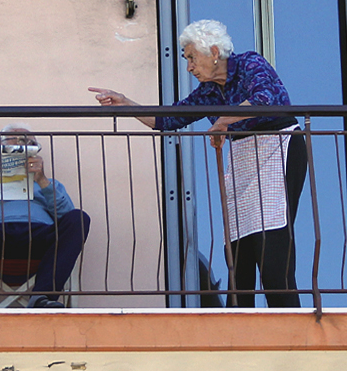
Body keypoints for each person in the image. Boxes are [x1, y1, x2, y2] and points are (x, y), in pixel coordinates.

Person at [90, 19, 305, 308]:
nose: (189, 67)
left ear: (214, 51)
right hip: (243, 159)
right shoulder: (208, 92)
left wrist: (223, 121)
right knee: (240, 252)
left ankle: (290, 326)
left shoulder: (249, 63)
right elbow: (167, 120)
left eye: (192, 58)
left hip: (277, 148)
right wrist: (125, 104)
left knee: (271, 248)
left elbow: (269, 99)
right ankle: (241, 329)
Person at [0, 123, 90, 308]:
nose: (24, 146)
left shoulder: (49, 183)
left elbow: (66, 215)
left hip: (38, 239)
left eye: (30, 143)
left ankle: (43, 296)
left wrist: (42, 180)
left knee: (78, 218)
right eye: (17, 141)